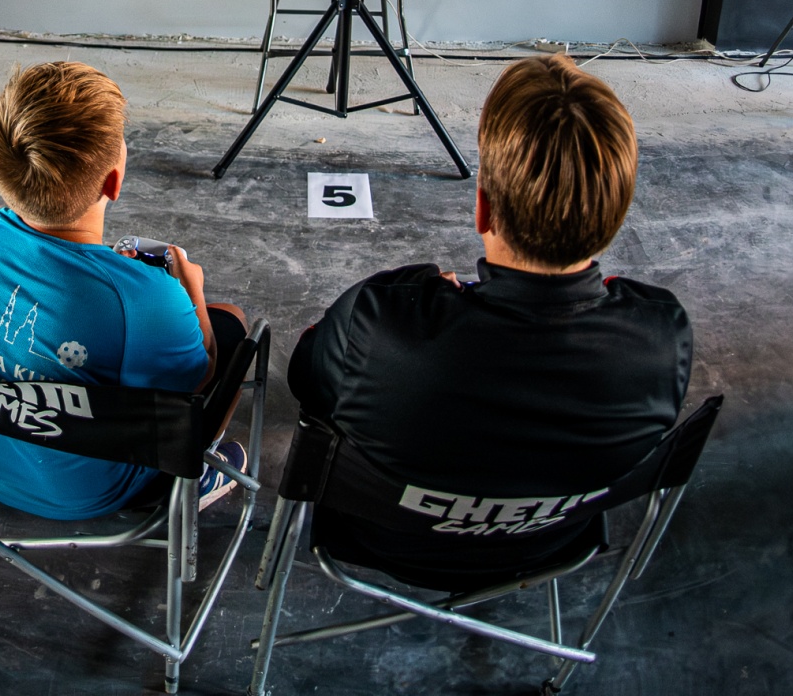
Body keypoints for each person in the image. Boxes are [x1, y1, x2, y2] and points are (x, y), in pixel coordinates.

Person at [288, 55, 691, 584]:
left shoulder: (378, 321)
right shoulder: (662, 337)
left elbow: (306, 381)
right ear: (615, 214)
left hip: (381, 543)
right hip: (550, 543)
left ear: (483, 208)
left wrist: (420, 301)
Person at [0, 61, 248, 520]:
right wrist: (191, 292)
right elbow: (198, 383)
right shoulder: (147, 300)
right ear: (113, 182)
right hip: (86, 494)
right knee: (231, 321)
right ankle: (198, 477)